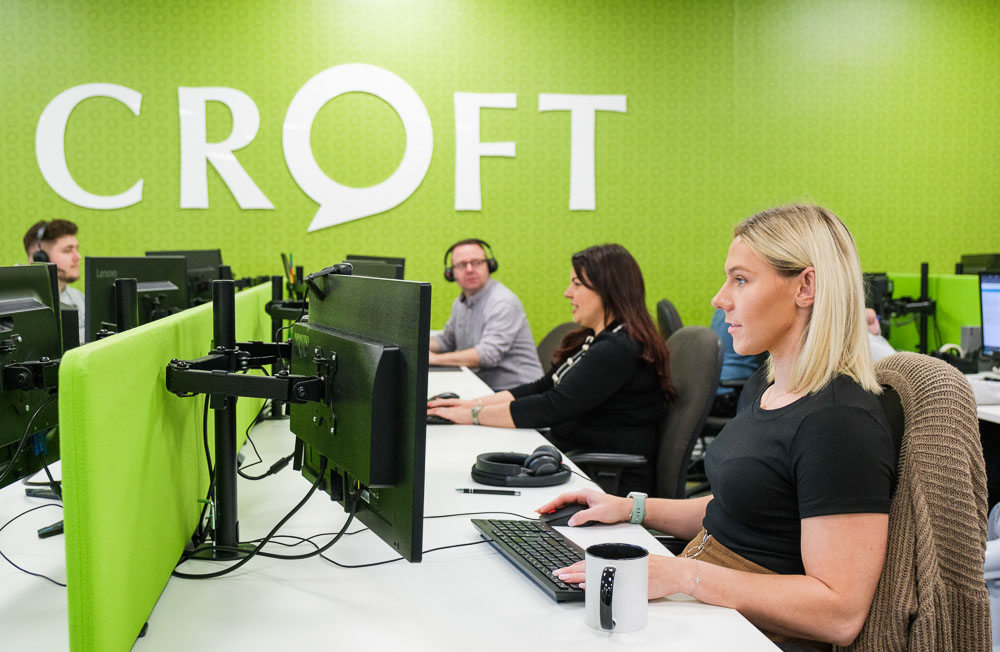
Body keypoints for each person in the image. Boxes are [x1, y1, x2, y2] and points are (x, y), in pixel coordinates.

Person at [540, 206, 896, 650]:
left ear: (806, 286)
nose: (719, 298)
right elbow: (738, 506)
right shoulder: (764, 386)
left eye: (741, 279)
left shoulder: (839, 423)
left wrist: (682, 575)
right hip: (708, 609)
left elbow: (839, 612)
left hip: (750, 634)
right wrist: (630, 507)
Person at [428, 243, 672, 495]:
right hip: (570, 456)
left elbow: (552, 406)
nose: (568, 293)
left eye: (577, 284)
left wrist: (474, 415)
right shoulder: (598, 338)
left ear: (607, 290)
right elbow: (543, 386)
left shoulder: (618, 348)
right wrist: (467, 406)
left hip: (601, 478)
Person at [430, 238, 543, 390]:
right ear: (451, 273)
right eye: (462, 265)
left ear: (489, 266)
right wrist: (416, 344)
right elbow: (447, 340)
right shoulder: (460, 303)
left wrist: (435, 359)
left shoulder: (503, 302)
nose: (469, 269)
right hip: (483, 385)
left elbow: (487, 355)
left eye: (476, 262)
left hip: (517, 390)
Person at [23, 219, 85, 344]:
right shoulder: (10, 299)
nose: (78, 257)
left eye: (76, 249)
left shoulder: (79, 297)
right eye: (68, 250)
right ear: (40, 257)